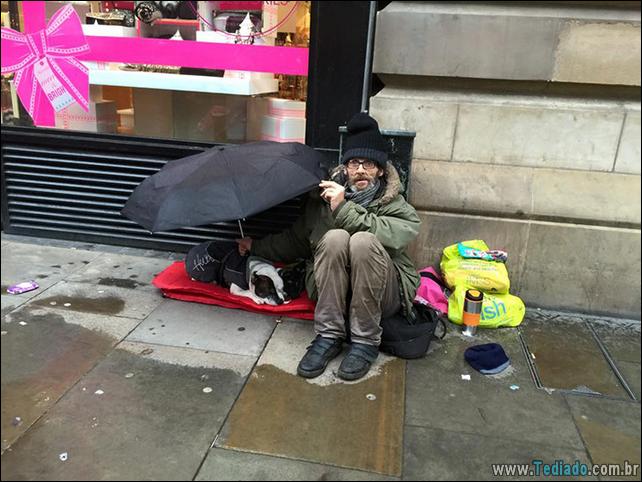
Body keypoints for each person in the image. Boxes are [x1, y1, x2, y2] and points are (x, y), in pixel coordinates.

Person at [236, 112, 421, 380]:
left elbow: (396, 236)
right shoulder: (323, 200)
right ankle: (329, 335)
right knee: (334, 238)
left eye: (368, 164)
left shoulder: (395, 205)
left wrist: (344, 208)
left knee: (363, 241)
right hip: (332, 293)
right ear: (344, 167)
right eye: (354, 162)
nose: (360, 170)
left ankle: (365, 342)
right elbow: (295, 241)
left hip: (383, 295)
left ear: (381, 170)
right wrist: (255, 246)